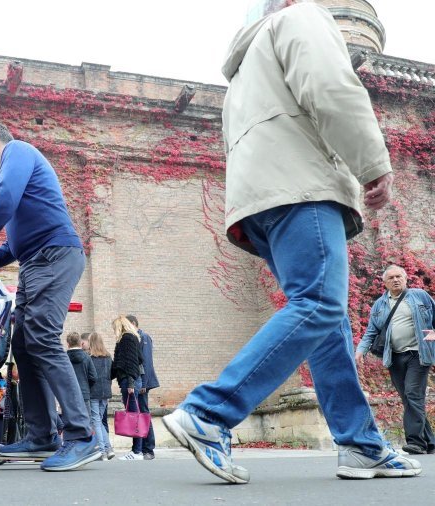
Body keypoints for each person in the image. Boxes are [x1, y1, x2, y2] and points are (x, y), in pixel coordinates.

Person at [162, 0, 420, 484]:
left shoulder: (245, 64)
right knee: (320, 303)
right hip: (301, 186)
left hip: (261, 200)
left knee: (327, 321)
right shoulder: (300, 18)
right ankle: (209, 412)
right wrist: (372, 162)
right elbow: (330, 87)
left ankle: (360, 443)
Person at [0, 123, 100, 471]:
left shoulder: (18, 152)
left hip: (54, 255)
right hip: (37, 259)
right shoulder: (20, 184)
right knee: (23, 345)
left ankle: (81, 435)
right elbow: (13, 247)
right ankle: (42, 435)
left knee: (42, 338)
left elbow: (2, 201)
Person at [355, 265, 435, 454]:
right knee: (408, 398)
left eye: (399, 276)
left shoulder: (419, 296)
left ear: (406, 278)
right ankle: (430, 441)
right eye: (391, 277)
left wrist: (431, 337)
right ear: (385, 282)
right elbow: (371, 331)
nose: (396, 280)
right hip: (394, 357)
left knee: (412, 394)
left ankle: (415, 442)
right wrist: (360, 350)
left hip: (419, 354)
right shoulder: (380, 305)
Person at [111, 316, 146, 461]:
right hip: (130, 380)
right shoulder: (132, 338)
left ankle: (137, 452)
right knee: (134, 415)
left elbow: (131, 362)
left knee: (134, 417)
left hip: (129, 381)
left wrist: (131, 383)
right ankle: (137, 451)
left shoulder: (127, 338)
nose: (114, 330)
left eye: (115, 327)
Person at [126, 315, 158, 460]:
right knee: (138, 415)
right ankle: (139, 448)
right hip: (138, 381)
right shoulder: (134, 337)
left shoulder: (143, 337)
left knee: (144, 414)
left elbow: (146, 362)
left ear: (133, 323)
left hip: (142, 383)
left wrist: (144, 383)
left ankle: (148, 449)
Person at [88, 332, 114, 460]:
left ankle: (102, 451)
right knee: (99, 422)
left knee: (96, 421)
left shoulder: (90, 357)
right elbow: (112, 374)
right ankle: (108, 449)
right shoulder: (108, 357)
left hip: (93, 392)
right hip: (105, 392)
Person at [66, 332, 97, 418]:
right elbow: (93, 377)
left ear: (68, 344)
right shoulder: (87, 357)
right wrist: (86, 386)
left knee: (70, 420)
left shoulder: (64, 358)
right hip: (84, 393)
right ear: (81, 343)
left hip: (68, 394)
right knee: (86, 421)